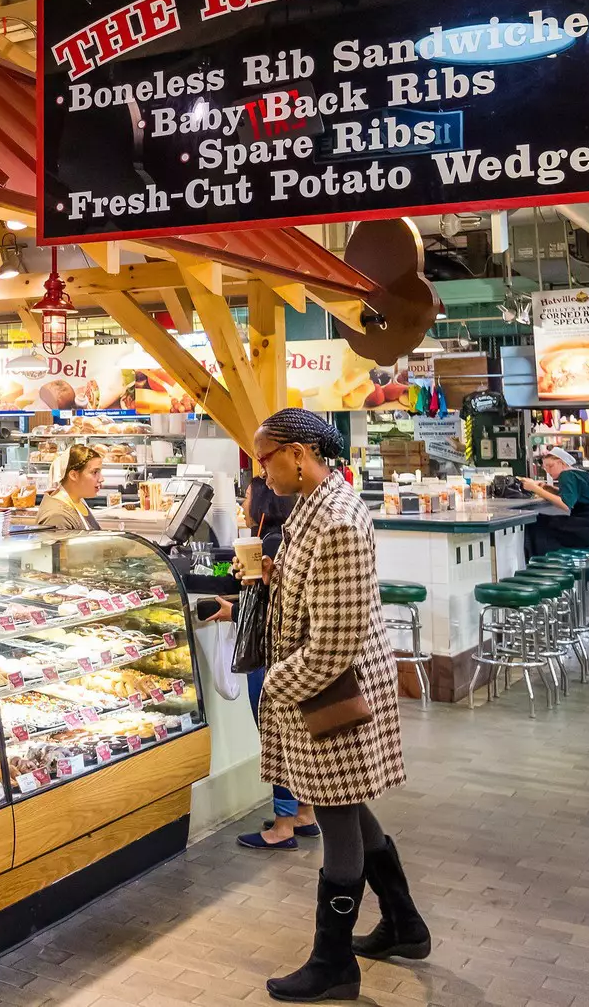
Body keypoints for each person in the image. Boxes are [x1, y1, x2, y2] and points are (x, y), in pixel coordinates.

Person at [252, 408, 426, 1003]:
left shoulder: (339, 520)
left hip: (335, 692)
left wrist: (275, 684)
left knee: (336, 819)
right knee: (344, 804)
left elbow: (333, 644)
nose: (261, 469)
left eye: (265, 456)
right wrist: (275, 579)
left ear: (299, 454)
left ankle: (334, 964)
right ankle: (405, 925)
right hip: (328, 690)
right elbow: (320, 600)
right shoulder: (312, 506)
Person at [235, 468, 319, 852]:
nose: (244, 504)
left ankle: (283, 824)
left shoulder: (269, 541)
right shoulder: (284, 537)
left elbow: (274, 607)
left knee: (279, 735)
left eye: (249, 496)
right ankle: (304, 813)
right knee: (295, 735)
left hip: (274, 654)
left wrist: (250, 587)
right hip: (290, 653)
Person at [520, 447, 589, 560]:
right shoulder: (579, 473)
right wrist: (548, 488)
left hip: (586, 526)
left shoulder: (566, 475)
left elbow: (566, 504)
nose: (548, 470)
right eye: (545, 467)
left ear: (561, 463)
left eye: (550, 466)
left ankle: (540, 563)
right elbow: (574, 496)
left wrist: (536, 489)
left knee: (536, 522)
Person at [32, 444, 103, 531]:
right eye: (95, 472)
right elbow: (57, 545)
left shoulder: (76, 500)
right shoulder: (57, 517)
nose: (101, 479)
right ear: (73, 475)